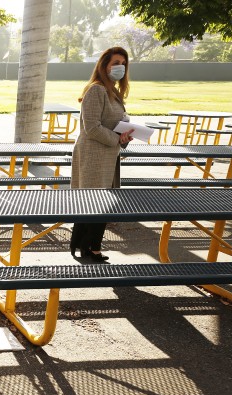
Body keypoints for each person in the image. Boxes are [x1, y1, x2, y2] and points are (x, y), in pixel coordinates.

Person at [69, 46, 134, 264]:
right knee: (94, 203)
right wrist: (117, 138)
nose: (120, 67)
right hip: (94, 156)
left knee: (102, 203)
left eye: (123, 64)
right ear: (104, 65)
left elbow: (112, 123)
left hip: (109, 154)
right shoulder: (96, 90)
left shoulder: (112, 91)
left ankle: (89, 247)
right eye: (115, 63)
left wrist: (124, 135)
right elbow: (92, 127)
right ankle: (88, 248)